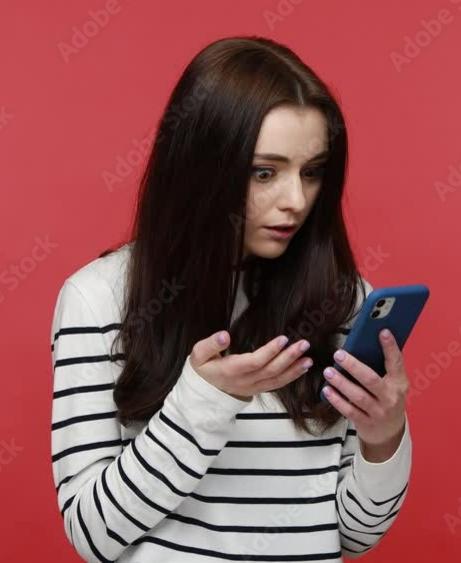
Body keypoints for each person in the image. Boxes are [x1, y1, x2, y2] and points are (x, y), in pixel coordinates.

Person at [50, 35, 412, 562]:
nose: (295, 200)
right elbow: (93, 535)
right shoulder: (98, 298)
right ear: (203, 168)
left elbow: (354, 537)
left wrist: (385, 439)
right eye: (264, 172)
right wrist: (204, 401)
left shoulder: (344, 299)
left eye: (312, 172)